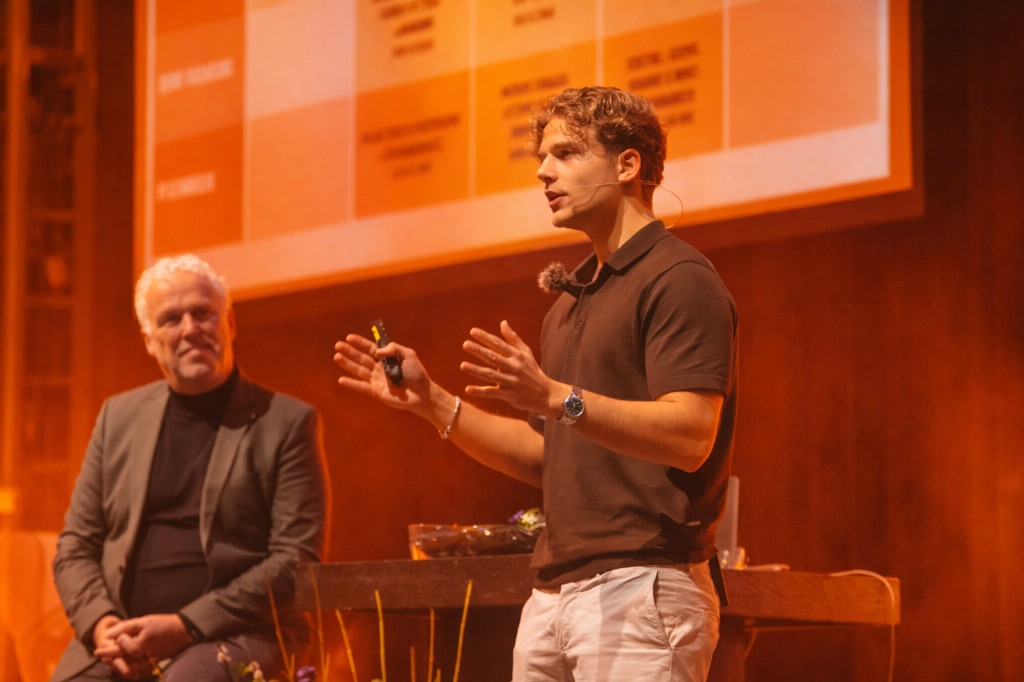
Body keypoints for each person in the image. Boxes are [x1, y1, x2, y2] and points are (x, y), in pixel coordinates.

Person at [333, 86, 738, 681]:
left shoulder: (677, 278)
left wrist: (556, 396)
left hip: (642, 582)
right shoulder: (569, 303)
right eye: (542, 159)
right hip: (554, 594)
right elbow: (550, 456)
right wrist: (432, 403)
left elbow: (690, 433)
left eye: (567, 154)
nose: (545, 173)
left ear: (628, 164)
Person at [52, 254, 329, 681]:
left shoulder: (288, 422)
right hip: (121, 636)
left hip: (238, 634)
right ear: (148, 339)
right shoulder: (117, 417)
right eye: (170, 319)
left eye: (202, 313)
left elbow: (295, 561)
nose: (189, 328)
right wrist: (101, 623)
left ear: (229, 323)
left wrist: (186, 625)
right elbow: (75, 546)